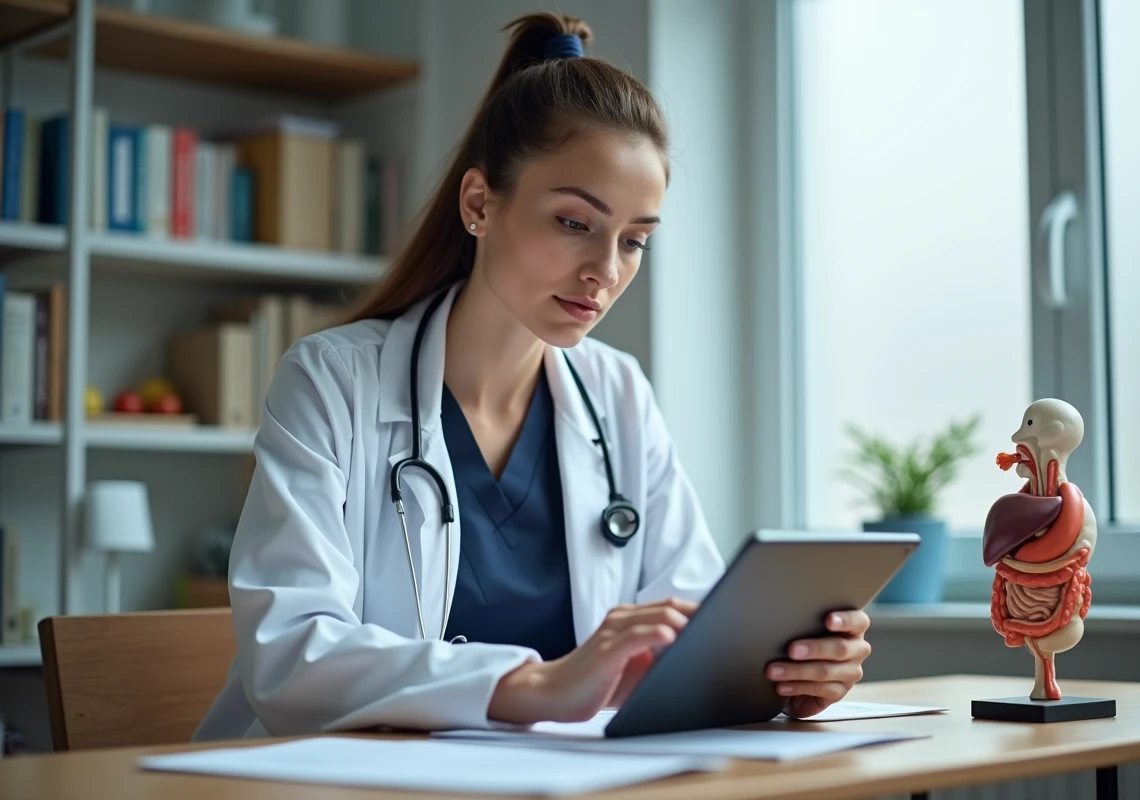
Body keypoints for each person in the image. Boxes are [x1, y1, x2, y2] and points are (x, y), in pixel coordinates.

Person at [193, 11, 872, 740]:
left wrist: (783, 670)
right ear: (480, 203)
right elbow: (290, 657)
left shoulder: (617, 395)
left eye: (635, 241)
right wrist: (538, 684)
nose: (605, 272)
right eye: (575, 223)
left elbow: (688, 627)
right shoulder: (333, 382)